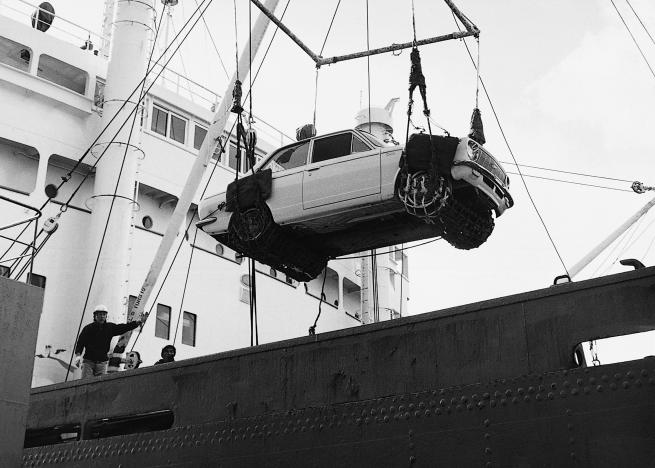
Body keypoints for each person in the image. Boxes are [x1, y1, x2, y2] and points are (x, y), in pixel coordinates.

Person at [73, 305, 142, 378]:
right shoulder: (88, 328)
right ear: (95, 316)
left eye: (104, 314)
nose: (102, 316)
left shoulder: (110, 327)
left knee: (100, 385)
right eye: (100, 314)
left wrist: (136, 323)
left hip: (102, 363)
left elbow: (123, 327)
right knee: (86, 383)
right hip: (88, 362)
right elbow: (80, 342)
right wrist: (78, 356)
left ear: (106, 316)